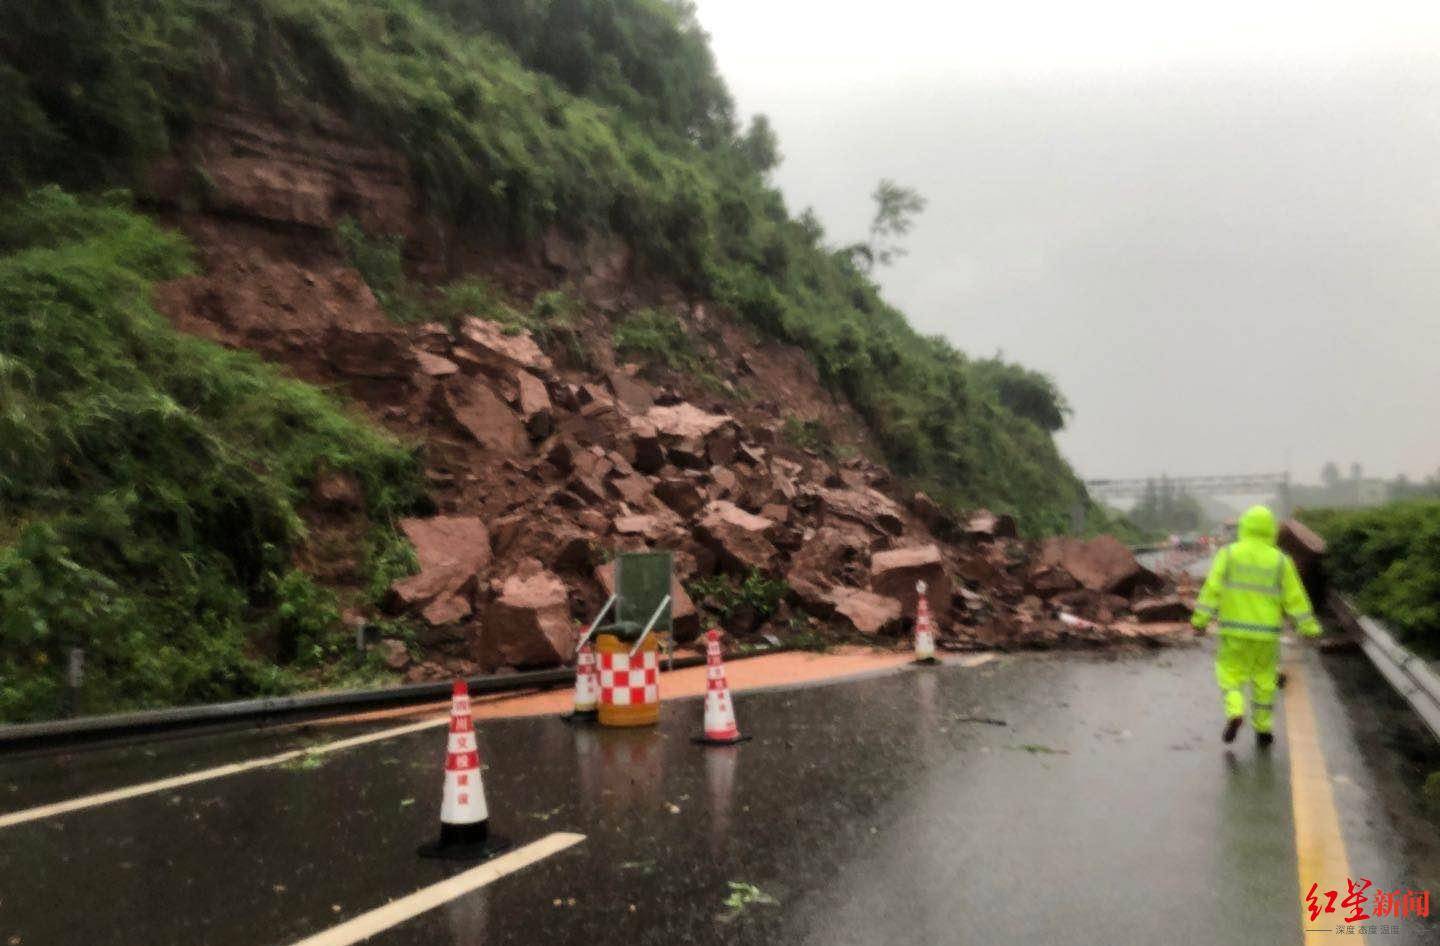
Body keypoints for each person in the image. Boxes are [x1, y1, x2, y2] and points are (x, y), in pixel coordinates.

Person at [1190, 504, 1320, 747]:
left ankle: (1235, 710)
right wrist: (1308, 627)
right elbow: (1295, 599)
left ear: (1244, 527)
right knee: (1264, 681)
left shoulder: (1228, 554)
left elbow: (1211, 590)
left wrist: (1199, 620)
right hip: (1266, 635)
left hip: (1233, 632)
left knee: (1229, 675)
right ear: (1270, 530)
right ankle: (1263, 729)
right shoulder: (1281, 561)